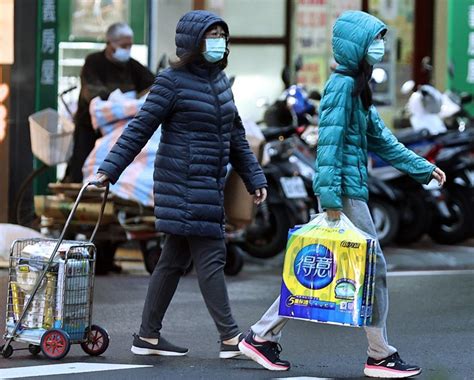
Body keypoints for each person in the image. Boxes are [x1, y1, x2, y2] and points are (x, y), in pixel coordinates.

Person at [238, 10, 446, 378]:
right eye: (375, 40)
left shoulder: (356, 86)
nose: (380, 47)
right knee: (371, 268)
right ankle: (379, 354)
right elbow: (328, 147)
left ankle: (262, 335)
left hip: (351, 190)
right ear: (357, 45)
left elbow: (382, 139)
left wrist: (423, 168)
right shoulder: (341, 86)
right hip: (343, 193)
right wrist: (331, 200)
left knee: (321, 271)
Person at [93, 11, 267, 358]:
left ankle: (147, 336)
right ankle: (231, 337)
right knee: (212, 255)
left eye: (222, 35)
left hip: (208, 183)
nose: (219, 41)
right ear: (193, 42)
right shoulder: (171, 82)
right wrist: (108, 171)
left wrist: (254, 177)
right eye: (211, 35)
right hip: (185, 183)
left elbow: (236, 137)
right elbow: (139, 129)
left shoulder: (219, 81)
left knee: (172, 260)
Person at [63, 22, 155, 183]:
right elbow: (92, 92)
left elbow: (152, 84)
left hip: (117, 128)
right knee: (81, 164)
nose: (127, 49)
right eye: (123, 45)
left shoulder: (133, 66)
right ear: (109, 44)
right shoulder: (93, 62)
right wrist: (118, 102)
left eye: (129, 45)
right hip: (89, 126)